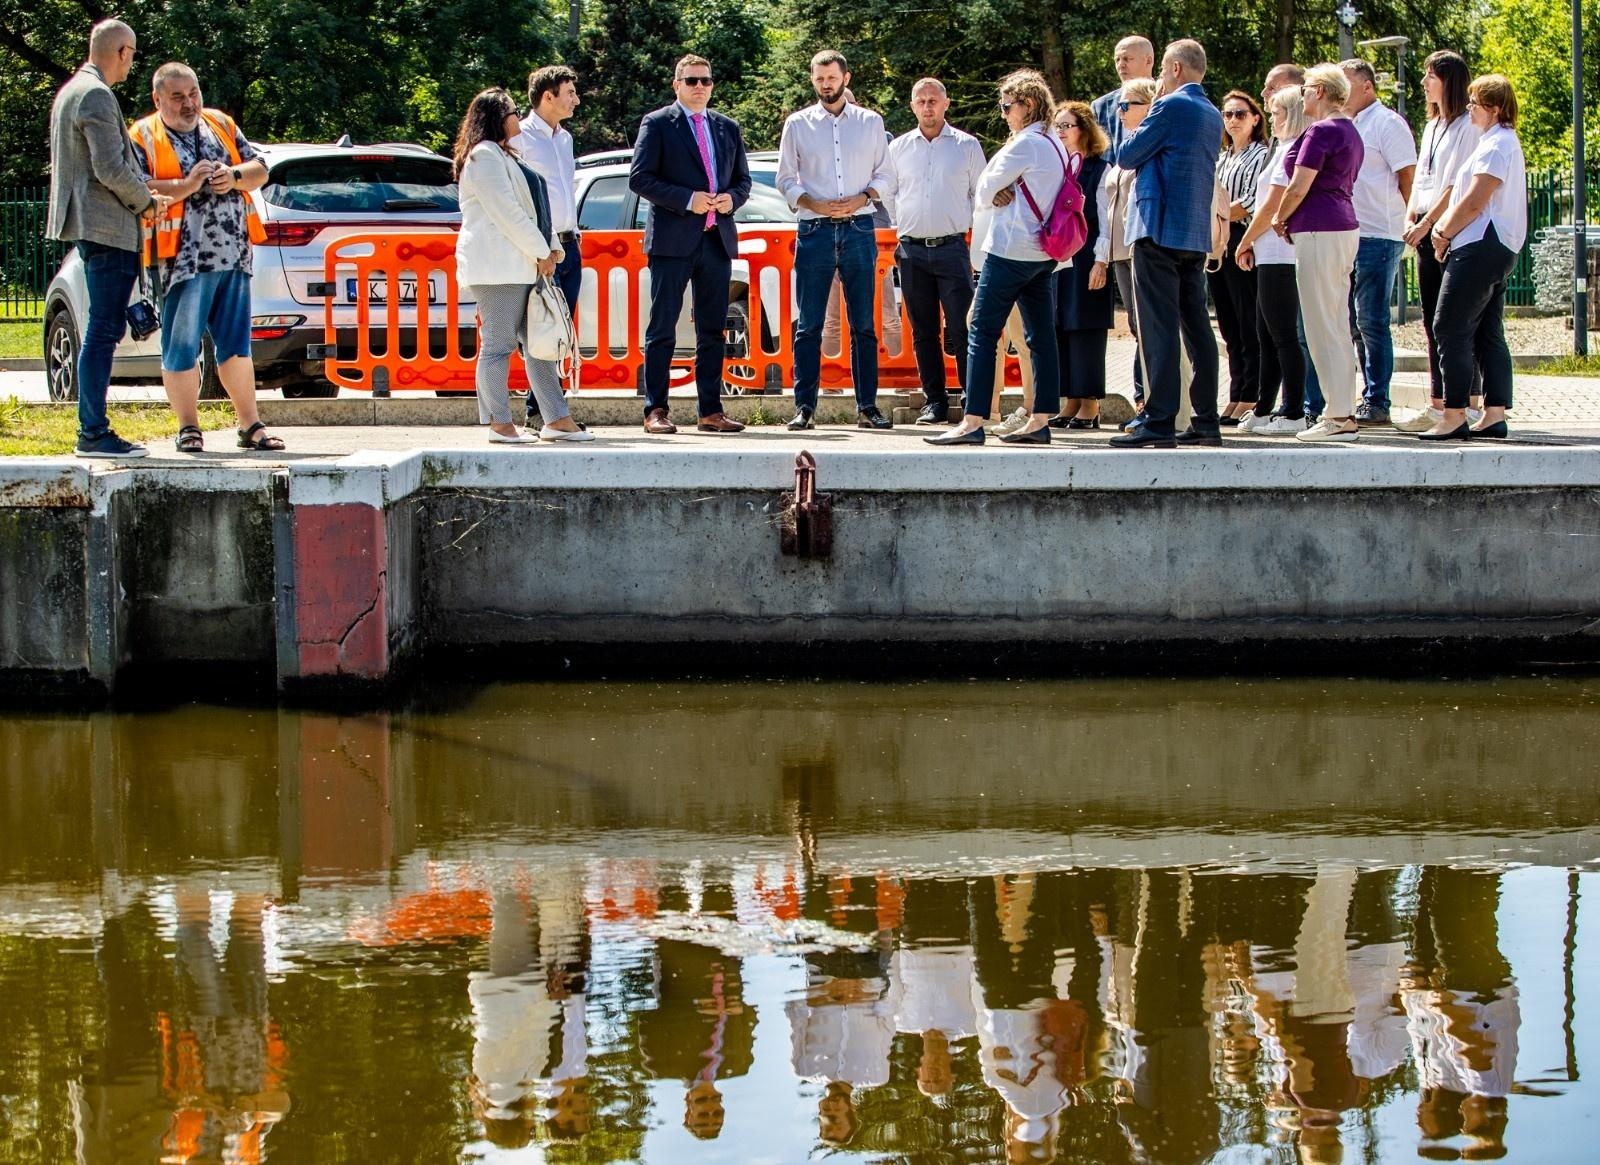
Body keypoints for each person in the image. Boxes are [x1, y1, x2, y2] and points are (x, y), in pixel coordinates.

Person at [131, 63, 283, 453]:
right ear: (158, 98)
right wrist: (187, 184)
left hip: (233, 255)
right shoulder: (143, 134)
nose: (189, 103)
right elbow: (134, 187)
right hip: (182, 261)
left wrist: (232, 177)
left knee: (237, 345)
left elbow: (259, 168)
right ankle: (188, 427)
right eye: (178, 96)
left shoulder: (220, 123)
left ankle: (251, 425)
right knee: (181, 346)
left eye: (193, 93)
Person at [46, 19, 168, 458]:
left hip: (89, 225)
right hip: (108, 227)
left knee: (104, 326)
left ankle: (92, 429)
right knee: (103, 329)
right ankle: (93, 432)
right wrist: (147, 203)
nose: (131, 64)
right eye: (132, 54)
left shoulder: (70, 91)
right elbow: (110, 168)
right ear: (122, 51)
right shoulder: (96, 94)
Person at [925, 69, 1064, 447]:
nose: (1003, 113)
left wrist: (997, 190)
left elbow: (984, 186)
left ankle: (973, 420)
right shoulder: (1055, 142)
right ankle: (1040, 419)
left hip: (1010, 249)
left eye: (1007, 106)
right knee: (1040, 336)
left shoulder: (1025, 144)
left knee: (981, 330)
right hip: (1042, 252)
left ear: (1028, 104)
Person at [452, 87, 591, 444]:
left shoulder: (502, 154)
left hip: (521, 264)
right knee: (498, 344)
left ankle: (556, 418)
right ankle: (499, 422)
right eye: (513, 111)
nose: (518, 116)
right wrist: (544, 249)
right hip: (498, 267)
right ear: (497, 118)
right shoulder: (484, 156)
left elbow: (527, 210)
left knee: (539, 344)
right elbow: (508, 214)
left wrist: (546, 250)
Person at [1107, 39, 1224, 450]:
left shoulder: (1170, 105)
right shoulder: (1212, 113)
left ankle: (1159, 419)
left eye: (1161, 72)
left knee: (1157, 328)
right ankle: (1206, 419)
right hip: (1192, 232)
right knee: (1197, 328)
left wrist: (1137, 119)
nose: (1157, 80)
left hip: (1156, 229)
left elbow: (1127, 154)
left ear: (1174, 69)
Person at [630, 54, 752, 434]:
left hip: (716, 240)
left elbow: (743, 180)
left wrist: (732, 198)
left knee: (713, 330)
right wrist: (687, 199)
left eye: (706, 80)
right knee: (663, 327)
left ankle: (710, 412)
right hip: (672, 240)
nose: (700, 86)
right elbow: (640, 178)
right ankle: (656, 410)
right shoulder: (658, 123)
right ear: (677, 85)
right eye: (692, 80)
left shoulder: (727, 127)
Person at [777, 50, 894, 431]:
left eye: (831, 77)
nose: (825, 84)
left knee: (863, 323)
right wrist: (815, 203)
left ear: (846, 77)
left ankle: (867, 407)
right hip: (815, 228)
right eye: (819, 78)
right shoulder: (797, 124)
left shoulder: (871, 122)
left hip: (860, 227)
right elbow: (786, 179)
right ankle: (804, 408)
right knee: (808, 324)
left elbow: (885, 175)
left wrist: (862, 199)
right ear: (812, 80)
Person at [1419, 74, 1526, 441]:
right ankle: (1494, 414)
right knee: (1486, 331)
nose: (1469, 110)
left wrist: (1443, 230)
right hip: (1494, 246)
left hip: (1479, 244)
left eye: (1475, 104)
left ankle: (1454, 413)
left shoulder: (1497, 145)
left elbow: (1476, 198)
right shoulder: (1496, 142)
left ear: (1493, 109)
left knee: (1448, 326)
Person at [882, 78, 986, 424]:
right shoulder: (898, 148)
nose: (927, 107)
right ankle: (935, 401)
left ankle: (973, 399)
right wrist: (906, 224)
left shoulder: (966, 146)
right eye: (921, 101)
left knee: (962, 326)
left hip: (952, 247)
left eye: (933, 101)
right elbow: (889, 194)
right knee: (923, 329)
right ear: (912, 106)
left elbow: (980, 194)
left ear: (946, 104)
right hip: (911, 250)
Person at [1272, 64, 1365, 444]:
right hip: (1341, 227)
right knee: (1334, 322)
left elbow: (1297, 186)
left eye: (1307, 88)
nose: (1303, 94)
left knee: (1320, 324)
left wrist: (1280, 218)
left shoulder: (1322, 130)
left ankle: (1338, 413)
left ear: (1322, 92)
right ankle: (1340, 409)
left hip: (1319, 228)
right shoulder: (1350, 130)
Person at [1397, 51, 1482, 432]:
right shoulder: (1432, 126)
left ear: (1448, 80)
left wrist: (1431, 222)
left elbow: (1455, 183)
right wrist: (1409, 215)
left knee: (1455, 321)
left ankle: (1467, 402)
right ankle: (1437, 402)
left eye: (1430, 76)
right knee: (1432, 320)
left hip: (1447, 229)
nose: (1423, 83)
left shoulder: (1467, 125)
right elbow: (1423, 178)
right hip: (1422, 226)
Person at [1340, 58, 1417, 426]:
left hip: (1379, 235)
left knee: (1371, 319)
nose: (1340, 93)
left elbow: (1407, 177)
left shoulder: (1387, 123)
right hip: (1350, 234)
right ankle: (1367, 394)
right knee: (1354, 321)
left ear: (1367, 86)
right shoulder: (1348, 124)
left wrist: (1404, 223)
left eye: (1347, 85)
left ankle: (1377, 399)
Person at [1235, 85, 1311, 435]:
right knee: (1266, 334)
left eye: (1278, 112)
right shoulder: (1280, 148)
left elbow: (1271, 205)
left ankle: (1293, 409)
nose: (1272, 118)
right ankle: (1264, 407)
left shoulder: (1292, 149)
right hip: (1268, 253)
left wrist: (1246, 239)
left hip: (1281, 254)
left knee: (1283, 336)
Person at [511, 65, 582, 422]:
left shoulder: (565, 138)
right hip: (542, 248)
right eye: (569, 93)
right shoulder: (521, 137)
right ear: (547, 96)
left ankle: (550, 411)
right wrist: (541, 249)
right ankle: (539, 413)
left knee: (560, 331)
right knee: (541, 329)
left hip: (570, 243)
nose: (575, 99)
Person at [1048, 102, 1114, 428]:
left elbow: (1105, 220)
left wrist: (1101, 261)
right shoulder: (1056, 169)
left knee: (1086, 325)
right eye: (1056, 126)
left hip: (1088, 253)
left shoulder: (1100, 170)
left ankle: (1090, 403)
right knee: (1061, 324)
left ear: (1083, 130)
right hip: (1059, 255)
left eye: (1066, 126)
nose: (1060, 132)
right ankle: (1071, 399)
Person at [1210, 91, 1269, 426]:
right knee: (1229, 326)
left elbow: (1249, 202)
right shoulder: (1222, 157)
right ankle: (1236, 393)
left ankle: (1252, 393)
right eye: (1228, 114)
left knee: (1248, 323)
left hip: (1243, 241)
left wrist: (1214, 217)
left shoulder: (1260, 155)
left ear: (1255, 118)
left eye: (1240, 114)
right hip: (1218, 243)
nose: (1233, 120)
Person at [1105, 79, 1155, 432]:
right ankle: (1144, 399)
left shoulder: (1151, 144)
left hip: (1143, 247)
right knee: (1139, 328)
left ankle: (1150, 402)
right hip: (1120, 250)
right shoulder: (1128, 143)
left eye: (1127, 105)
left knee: (1150, 328)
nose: (1119, 112)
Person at [1091, 37, 1155, 158]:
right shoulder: (1101, 106)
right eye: (1117, 60)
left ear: (1148, 61)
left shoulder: (1167, 100)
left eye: (1127, 59)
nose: (1121, 65)